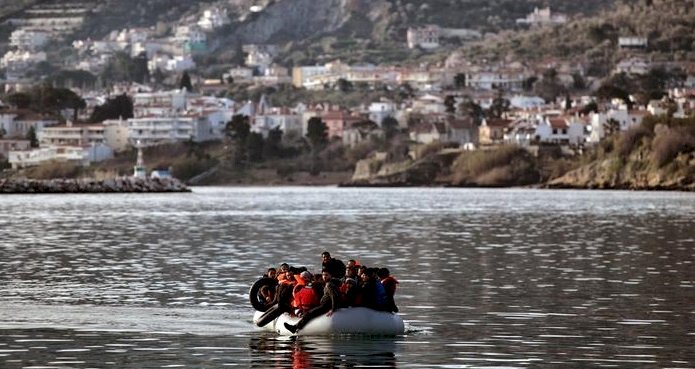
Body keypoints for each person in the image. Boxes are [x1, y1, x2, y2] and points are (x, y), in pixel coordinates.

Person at [284, 269, 342, 333]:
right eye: (323, 275)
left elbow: (334, 297)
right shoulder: (328, 284)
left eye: (326, 275)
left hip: (326, 306)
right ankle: (295, 327)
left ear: (331, 276)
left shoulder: (329, 285)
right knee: (309, 313)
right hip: (324, 305)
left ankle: (295, 328)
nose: (324, 276)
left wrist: (333, 309)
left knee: (308, 314)